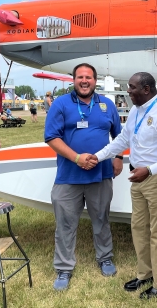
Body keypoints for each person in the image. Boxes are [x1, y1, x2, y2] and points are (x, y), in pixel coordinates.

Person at [84, 72, 157, 300]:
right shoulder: (135, 110)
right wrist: (98, 156)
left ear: (146, 89)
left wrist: (150, 170)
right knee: (139, 228)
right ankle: (146, 274)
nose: (127, 91)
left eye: (131, 88)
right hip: (138, 177)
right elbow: (123, 140)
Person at [44, 63, 124, 291]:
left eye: (88, 77)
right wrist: (77, 158)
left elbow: (118, 135)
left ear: (95, 81)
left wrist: (118, 158)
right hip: (69, 176)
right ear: (74, 80)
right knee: (65, 225)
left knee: (101, 220)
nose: (84, 80)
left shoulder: (107, 105)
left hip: (101, 175)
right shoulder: (60, 104)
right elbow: (51, 137)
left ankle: (105, 258)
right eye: (80, 77)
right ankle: (63, 268)